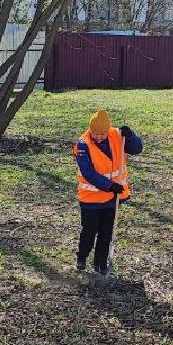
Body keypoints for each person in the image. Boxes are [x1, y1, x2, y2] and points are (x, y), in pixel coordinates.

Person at [73, 109, 142, 277]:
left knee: (106, 232)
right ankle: (81, 257)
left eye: (102, 134)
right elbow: (88, 172)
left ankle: (101, 264)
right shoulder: (82, 145)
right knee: (89, 230)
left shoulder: (118, 135)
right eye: (95, 134)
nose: (98, 137)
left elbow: (137, 149)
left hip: (112, 199)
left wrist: (130, 135)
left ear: (108, 130)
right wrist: (110, 186)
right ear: (90, 130)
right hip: (91, 199)